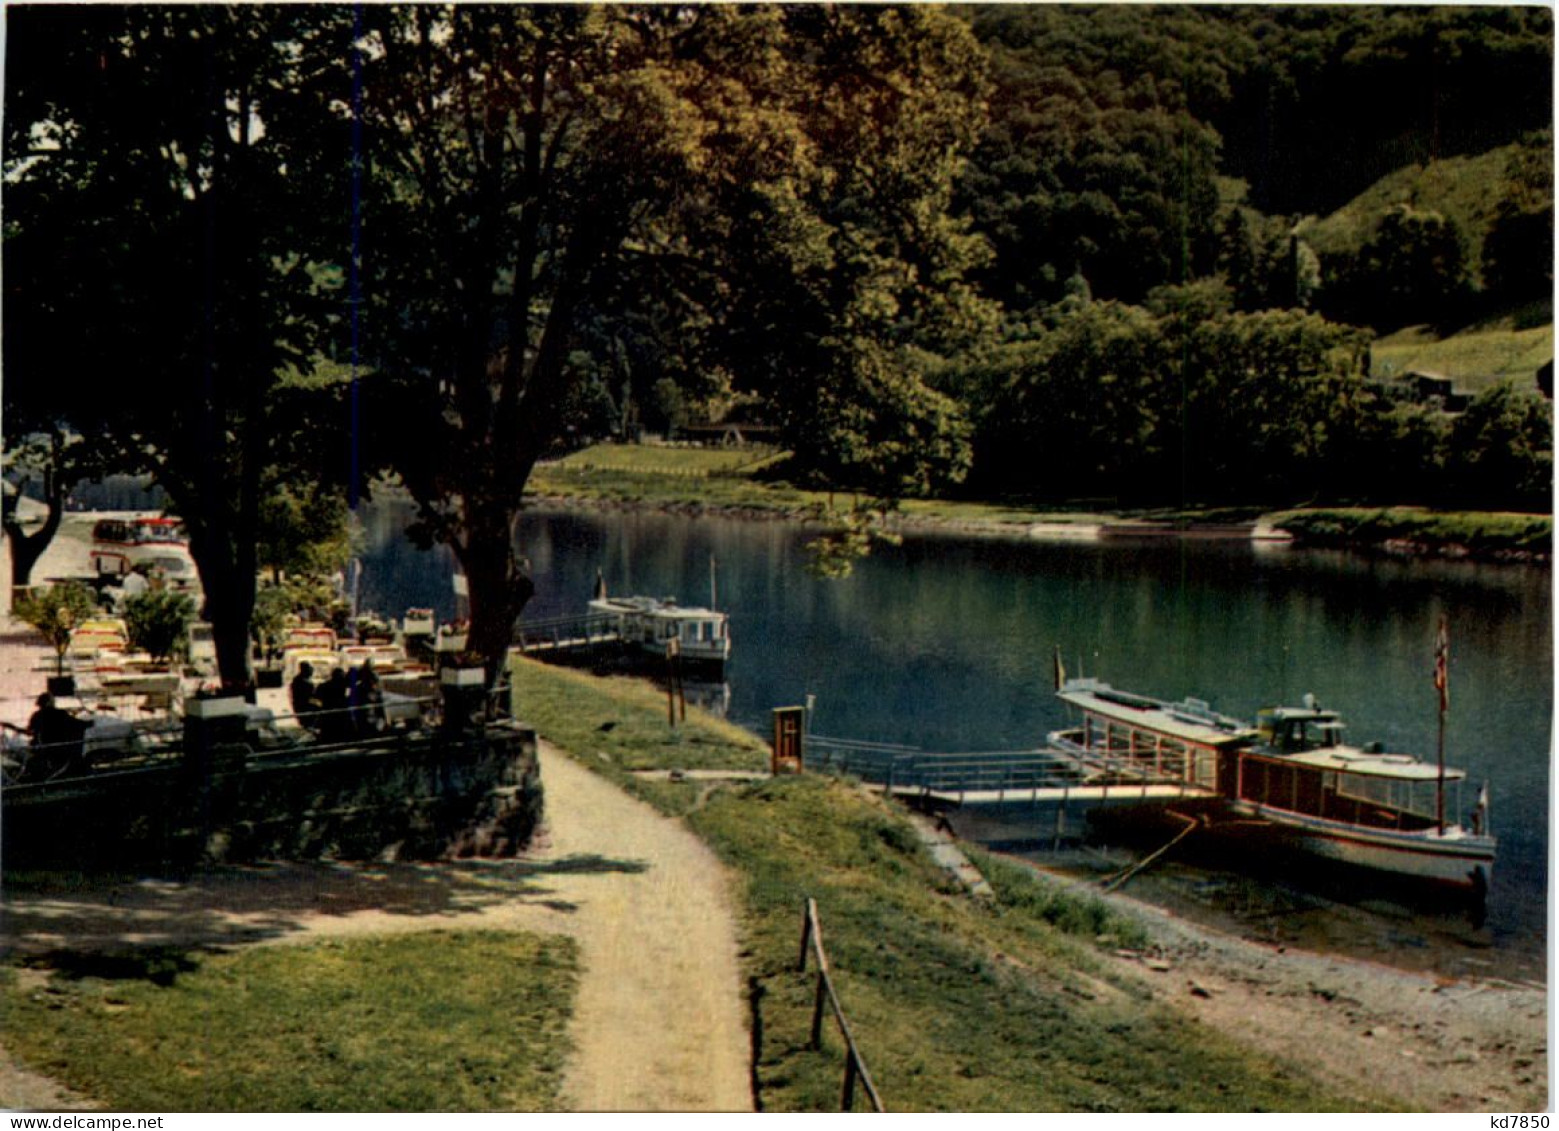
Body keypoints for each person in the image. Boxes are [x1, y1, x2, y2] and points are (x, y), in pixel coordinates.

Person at [25, 693, 90, 779]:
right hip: (60, 747)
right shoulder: (59, 713)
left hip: (43, 747)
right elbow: (77, 724)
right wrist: (93, 722)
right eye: (53, 700)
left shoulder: (36, 716)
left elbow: (30, 730)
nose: (54, 702)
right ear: (48, 702)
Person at [317, 666, 350, 741]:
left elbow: (317, 697)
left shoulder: (324, 686)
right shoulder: (343, 686)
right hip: (337, 713)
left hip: (330, 713)